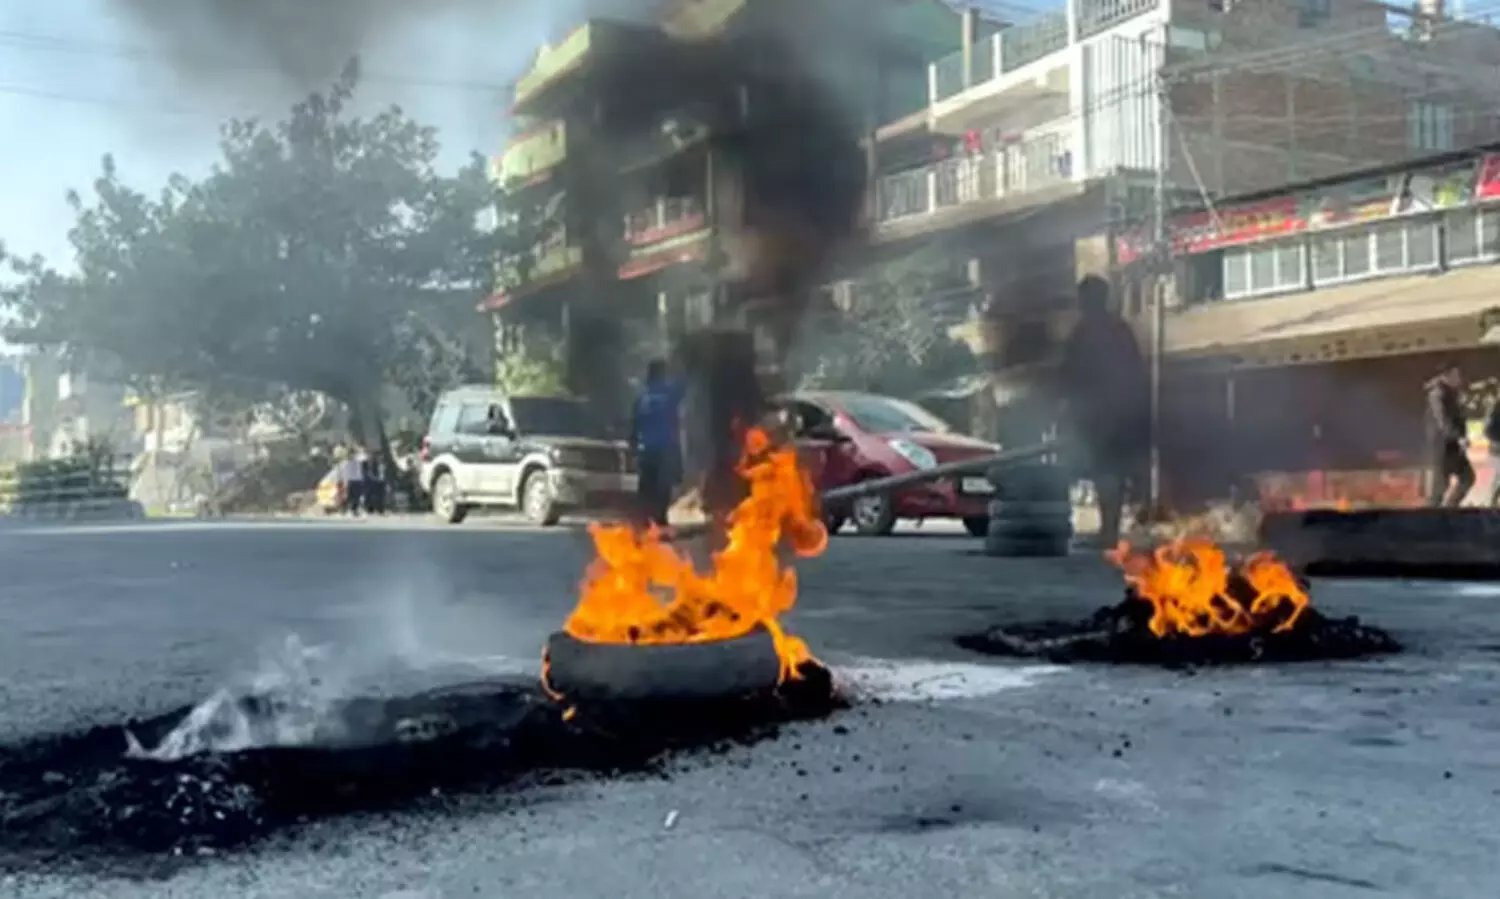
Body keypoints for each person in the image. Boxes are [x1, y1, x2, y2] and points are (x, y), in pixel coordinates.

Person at [1058, 275, 1151, 547]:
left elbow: (1070, 375)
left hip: (1103, 416)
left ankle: (1109, 531)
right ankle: (1109, 528)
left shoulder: (1085, 333)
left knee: (1107, 472)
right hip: (1118, 414)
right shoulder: (1118, 329)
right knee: (1111, 472)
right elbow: (1136, 372)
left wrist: (1071, 407)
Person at [632, 358, 686, 530]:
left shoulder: (642, 396)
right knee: (663, 487)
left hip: (646, 449)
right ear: (663, 374)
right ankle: (660, 519)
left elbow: (635, 424)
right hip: (665, 448)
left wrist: (633, 446)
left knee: (647, 487)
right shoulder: (669, 393)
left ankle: (645, 521)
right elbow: (683, 385)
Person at [1425, 363, 1473, 507]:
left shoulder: (1453, 394)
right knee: (1440, 486)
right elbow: (1443, 421)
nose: (1459, 378)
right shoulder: (1437, 394)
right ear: (1446, 376)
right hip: (1441, 446)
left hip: (1453, 445)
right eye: (1455, 375)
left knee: (1467, 477)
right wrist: (1459, 437)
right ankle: (1432, 514)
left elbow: (1458, 418)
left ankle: (1450, 507)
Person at [340, 445, 366, 516]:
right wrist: (345, 483)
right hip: (350, 481)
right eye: (351, 453)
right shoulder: (346, 462)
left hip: (357, 480)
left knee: (356, 497)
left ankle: (354, 510)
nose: (352, 455)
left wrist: (359, 449)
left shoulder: (357, 460)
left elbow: (364, 457)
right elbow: (345, 474)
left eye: (353, 453)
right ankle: (344, 509)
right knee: (348, 496)